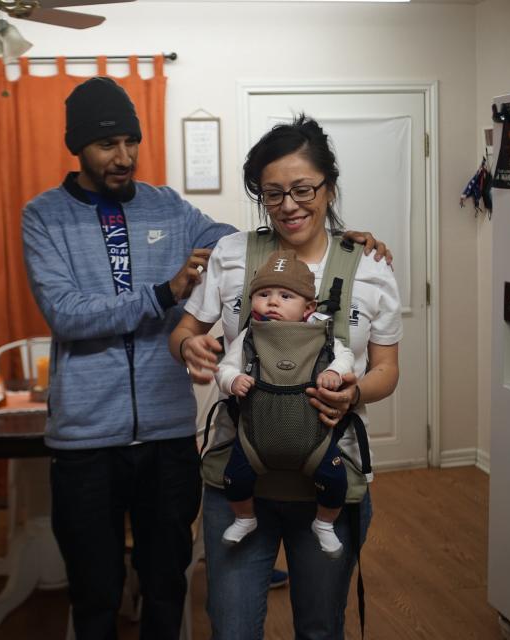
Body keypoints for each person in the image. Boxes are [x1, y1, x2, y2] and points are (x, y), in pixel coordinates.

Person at [22, 79, 389, 639]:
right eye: (106, 145)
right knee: (96, 591)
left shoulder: (167, 206)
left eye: (130, 141)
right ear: (76, 147)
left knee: (168, 583)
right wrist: (168, 298)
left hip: (170, 435)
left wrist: (344, 238)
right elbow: (68, 314)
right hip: (87, 434)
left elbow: (248, 242)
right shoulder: (44, 216)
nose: (122, 157)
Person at [169, 114, 402, 639]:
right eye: (272, 194)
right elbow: (185, 329)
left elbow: (387, 370)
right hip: (237, 477)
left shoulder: (369, 266)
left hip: (331, 479)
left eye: (302, 189)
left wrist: (354, 393)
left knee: (320, 627)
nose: (289, 206)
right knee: (231, 628)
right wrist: (191, 345)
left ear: (329, 186)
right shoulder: (231, 255)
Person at [215, 250, 354, 558]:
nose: (273, 302)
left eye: (285, 296)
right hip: (254, 439)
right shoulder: (249, 337)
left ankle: (324, 524)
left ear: (309, 307)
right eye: (263, 294)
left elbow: (346, 357)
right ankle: (244, 517)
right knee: (235, 479)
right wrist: (232, 381)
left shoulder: (321, 334)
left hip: (314, 440)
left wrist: (334, 371)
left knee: (334, 481)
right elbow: (224, 367)